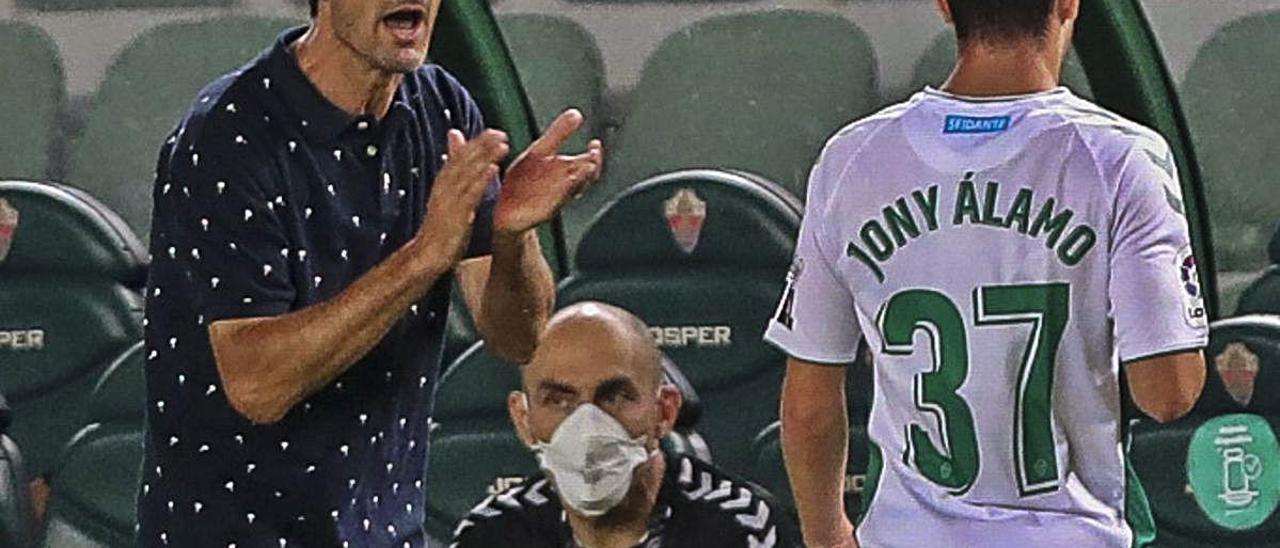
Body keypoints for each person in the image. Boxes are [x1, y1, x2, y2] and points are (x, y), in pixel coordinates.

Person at [137, 0, 604, 544]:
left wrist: (511, 235)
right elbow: (257, 384)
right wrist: (426, 254)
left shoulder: (443, 108)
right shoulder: (228, 137)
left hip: (388, 531)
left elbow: (517, 337)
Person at [764, 0, 1209, 546]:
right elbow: (1168, 394)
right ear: (1068, 3)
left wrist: (828, 535)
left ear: (946, 6)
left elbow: (807, 406)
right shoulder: (1121, 158)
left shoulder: (850, 159)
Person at [453, 302, 800, 548]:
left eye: (615, 397)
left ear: (664, 412)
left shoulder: (739, 525)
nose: (587, 425)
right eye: (559, 400)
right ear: (523, 419)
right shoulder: (491, 534)